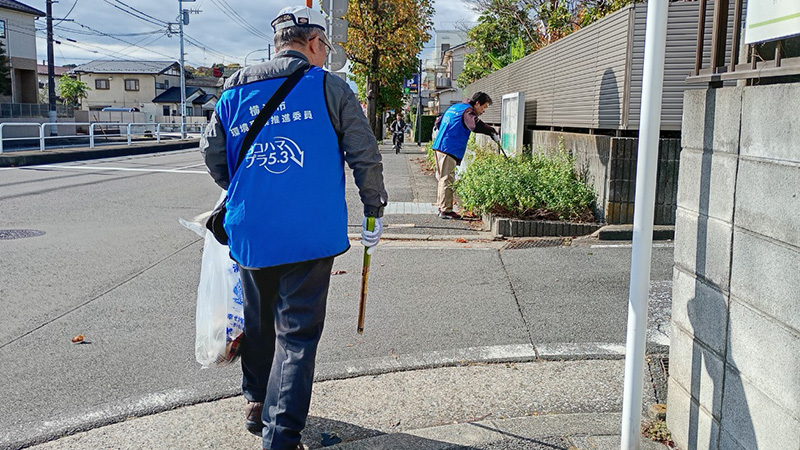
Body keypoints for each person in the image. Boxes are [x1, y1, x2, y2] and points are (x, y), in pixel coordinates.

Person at [200, 6, 387, 450]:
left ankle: (255, 404)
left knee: (259, 321)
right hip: (310, 233)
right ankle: (281, 436)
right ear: (315, 44)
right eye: (326, 48)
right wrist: (373, 209)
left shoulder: (232, 93)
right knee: (297, 334)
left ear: (280, 41)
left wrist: (248, 190)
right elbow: (365, 154)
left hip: (250, 231)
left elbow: (211, 153)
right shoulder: (330, 88)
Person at [431, 92, 499, 219]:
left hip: (440, 146)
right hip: (449, 148)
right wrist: (491, 131)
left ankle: (442, 207)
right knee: (447, 179)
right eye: (483, 107)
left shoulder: (455, 107)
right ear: (477, 103)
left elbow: (439, 122)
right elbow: (474, 125)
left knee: (443, 179)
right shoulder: (468, 111)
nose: (483, 111)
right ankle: (446, 210)